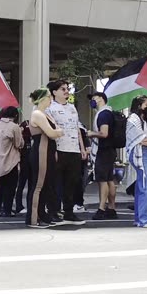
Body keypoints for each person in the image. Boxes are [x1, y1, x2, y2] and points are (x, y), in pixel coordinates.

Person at [46, 80, 86, 223]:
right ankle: (54, 211)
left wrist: (82, 147)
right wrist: (53, 150)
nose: (66, 91)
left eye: (67, 88)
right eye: (63, 89)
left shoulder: (72, 108)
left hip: (73, 149)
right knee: (56, 182)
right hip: (59, 149)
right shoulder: (50, 108)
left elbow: (77, 128)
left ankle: (69, 211)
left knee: (72, 182)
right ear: (54, 92)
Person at [25, 87, 63, 228]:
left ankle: (42, 214)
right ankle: (33, 218)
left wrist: (56, 132)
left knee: (47, 185)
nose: (51, 99)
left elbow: (55, 131)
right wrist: (58, 132)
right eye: (48, 97)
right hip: (41, 152)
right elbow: (52, 133)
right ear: (42, 98)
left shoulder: (44, 114)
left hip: (48, 152)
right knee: (38, 185)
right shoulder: (37, 114)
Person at [126, 95, 147, 228]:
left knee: (142, 186)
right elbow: (143, 139)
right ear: (139, 106)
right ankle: (145, 219)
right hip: (140, 153)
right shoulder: (133, 118)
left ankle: (140, 218)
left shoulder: (146, 119)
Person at [0, 107, 24, 216]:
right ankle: (7, 210)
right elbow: (19, 144)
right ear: (15, 116)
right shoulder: (14, 127)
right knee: (10, 187)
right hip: (10, 161)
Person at [89, 92, 119, 220]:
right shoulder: (108, 112)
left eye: (94, 98)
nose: (92, 101)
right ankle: (111, 208)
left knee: (102, 180)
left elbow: (104, 133)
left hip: (103, 150)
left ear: (101, 99)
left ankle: (102, 208)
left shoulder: (103, 114)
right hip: (109, 150)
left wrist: (91, 134)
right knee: (109, 179)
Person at [13, 117, 33, 216]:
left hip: (30, 162)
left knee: (30, 185)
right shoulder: (23, 136)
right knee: (21, 185)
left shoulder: (32, 137)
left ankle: (30, 205)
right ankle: (19, 206)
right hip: (24, 162)